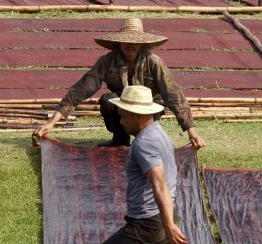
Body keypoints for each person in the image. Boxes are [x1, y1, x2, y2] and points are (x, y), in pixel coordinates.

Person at [31, 85, 257, 244]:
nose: (120, 120)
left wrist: (169, 225)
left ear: (139, 115)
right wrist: (170, 220)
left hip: (148, 224)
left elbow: (158, 182)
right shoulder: (158, 134)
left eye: (124, 115)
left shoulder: (146, 143)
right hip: (163, 219)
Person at [34, 18, 204, 149]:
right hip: (123, 111)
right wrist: (52, 122)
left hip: (149, 109)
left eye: (135, 42)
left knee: (146, 143)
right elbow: (81, 89)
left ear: (142, 43)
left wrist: (191, 131)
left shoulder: (154, 62)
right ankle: (120, 141)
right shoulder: (106, 61)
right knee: (107, 100)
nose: (130, 45)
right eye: (127, 41)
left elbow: (173, 95)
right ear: (119, 42)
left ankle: (145, 140)